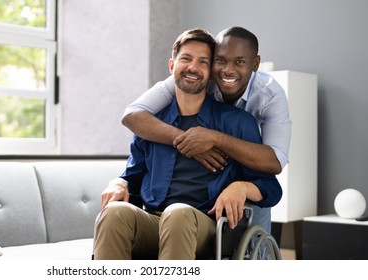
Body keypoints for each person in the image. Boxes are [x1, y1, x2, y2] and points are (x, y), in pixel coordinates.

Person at [93, 28, 281, 260]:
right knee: (114, 213)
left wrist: (241, 187)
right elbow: (133, 176)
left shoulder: (237, 123)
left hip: (207, 227)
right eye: (186, 59)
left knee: (178, 213)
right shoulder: (152, 124)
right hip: (154, 220)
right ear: (172, 66)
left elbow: (271, 187)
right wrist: (118, 182)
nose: (193, 67)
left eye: (203, 62)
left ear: (211, 73)